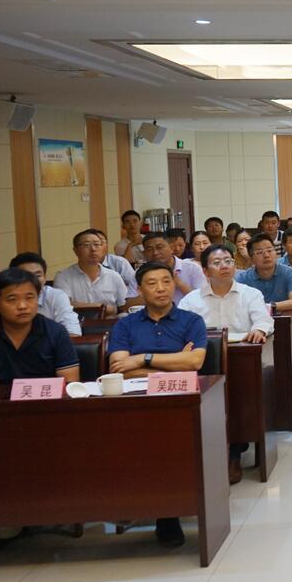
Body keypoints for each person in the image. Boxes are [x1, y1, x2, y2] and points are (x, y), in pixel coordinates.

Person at [108, 262, 208, 545]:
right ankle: (133, 503)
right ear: (140, 290)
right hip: (134, 401)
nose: (161, 288)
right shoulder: (125, 324)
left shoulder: (191, 321)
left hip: (179, 401)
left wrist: (142, 359)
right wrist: (173, 364)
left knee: (171, 442)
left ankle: (169, 514)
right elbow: (119, 367)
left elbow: (195, 361)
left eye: (166, 281)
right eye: (152, 283)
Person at [0, 268, 80, 390]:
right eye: (12, 299)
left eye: (29, 297)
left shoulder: (56, 332)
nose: (22, 306)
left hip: (44, 400)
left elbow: (69, 385)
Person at [179, 246, 273, 344]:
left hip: (244, 347)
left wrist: (259, 330)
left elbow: (263, 320)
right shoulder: (190, 300)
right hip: (204, 350)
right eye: (217, 263)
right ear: (205, 271)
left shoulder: (252, 294)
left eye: (228, 261)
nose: (224, 266)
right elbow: (179, 327)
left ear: (235, 266)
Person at [54, 229, 130, 316]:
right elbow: (63, 305)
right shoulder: (63, 276)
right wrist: (102, 307)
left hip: (109, 322)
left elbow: (123, 306)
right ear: (75, 250)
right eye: (86, 245)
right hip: (77, 323)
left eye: (97, 244)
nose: (93, 249)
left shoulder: (114, 276)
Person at [10, 253, 80, 336]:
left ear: (45, 278)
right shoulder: (6, 298)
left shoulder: (57, 296)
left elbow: (73, 333)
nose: (33, 280)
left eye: (38, 275)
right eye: (26, 275)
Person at [236, 233, 292, 313]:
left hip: (283, 318)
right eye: (259, 252)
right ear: (251, 258)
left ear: (275, 253)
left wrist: (271, 307)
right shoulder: (242, 278)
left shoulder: (289, 273)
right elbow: (236, 305)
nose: (266, 255)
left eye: (269, 250)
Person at [142, 231, 206, 297]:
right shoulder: (141, 273)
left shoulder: (192, 268)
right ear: (144, 253)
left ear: (171, 248)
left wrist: (179, 284)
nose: (155, 253)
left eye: (159, 247)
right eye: (149, 249)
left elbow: (203, 298)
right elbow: (134, 300)